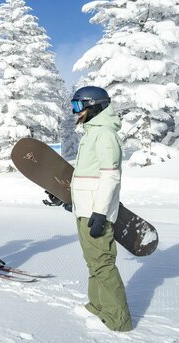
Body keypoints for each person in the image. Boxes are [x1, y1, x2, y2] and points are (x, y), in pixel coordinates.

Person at [47, 86, 132, 332]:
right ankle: (97, 305)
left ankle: (119, 319)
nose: (76, 112)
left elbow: (110, 177)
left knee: (103, 263)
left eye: (78, 106)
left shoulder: (104, 134)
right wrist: (70, 200)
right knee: (93, 261)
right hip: (86, 209)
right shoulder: (92, 133)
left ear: (93, 105)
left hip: (97, 212)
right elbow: (87, 177)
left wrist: (100, 213)